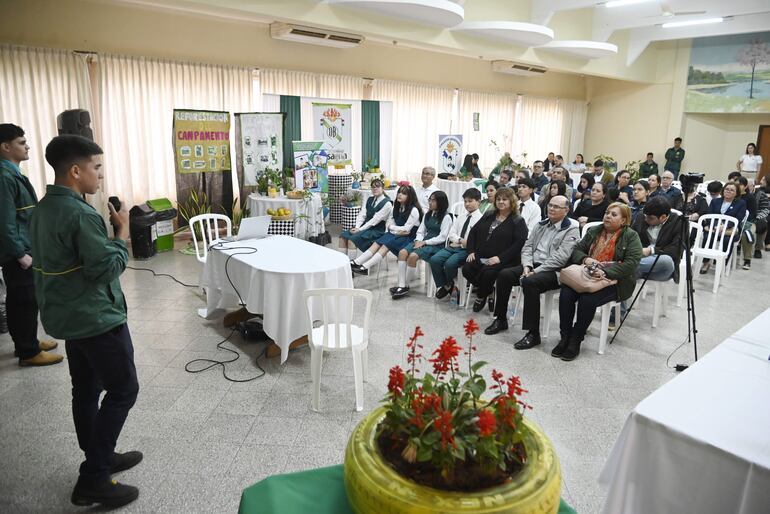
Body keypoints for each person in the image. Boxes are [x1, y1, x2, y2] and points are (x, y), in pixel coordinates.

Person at [31, 135, 142, 507]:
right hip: (96, 318)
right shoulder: (80, 214)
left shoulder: (43, 208)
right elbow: (106, 268)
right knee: (124, 390)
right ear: (76, 171)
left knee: (86, 388)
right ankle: (94, 475)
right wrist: (122, 232)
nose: (100, 176)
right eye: (96, 168)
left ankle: (100, 452)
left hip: (68, 316)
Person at [0, 123, 63, 366]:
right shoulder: (4, 177)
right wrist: (19, 254)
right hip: (18, 252)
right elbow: (4, 222)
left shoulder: (13, 173)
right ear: (5, 147)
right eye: (21, 143)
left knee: (25, 299)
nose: (27, 146)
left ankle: (28, 342)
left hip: (24, 247)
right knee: (24, 300)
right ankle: (28, 352)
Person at [484, 195, 579, 348]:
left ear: (566, 210)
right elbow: (527, 247)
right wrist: (527, 266)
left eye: (556, 207)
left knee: (529, 282)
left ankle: (533, 333)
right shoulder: (541, 224)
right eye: (550, 205)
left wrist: (536, 271)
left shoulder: (571, 229)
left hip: (554, 271)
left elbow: (560, 258)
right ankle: (501, 319)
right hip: (532, 266)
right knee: (504, 274)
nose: (551, 209)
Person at [555, 202, 642, 361]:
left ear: (623, 221)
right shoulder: (595, 231)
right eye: (607, 212)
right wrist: (586, 259)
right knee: (566, 293)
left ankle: (576, 339)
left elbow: (632, 263)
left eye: (614, 214)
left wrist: (604, 271)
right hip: (587, 275)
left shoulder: (631, 236)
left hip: (614, 281)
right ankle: (565, 336)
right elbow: (577, 250)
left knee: (587, 299)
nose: (608, 216)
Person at [462, 187, 528, 312]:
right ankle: (488, 290)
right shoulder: (489, 215)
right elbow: (473, 232)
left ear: (511, 202)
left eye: (504, 199)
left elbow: (518, 244)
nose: (501, 202)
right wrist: (471, 251)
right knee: (467, 269)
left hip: (504, 259)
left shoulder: (518, 221)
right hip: (482, 255)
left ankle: (481, 296)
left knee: (488, 273)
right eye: (498, 199)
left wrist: (499, 258)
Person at [391, 191, 451, 299]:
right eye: (430, 200)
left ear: (441, 202)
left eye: (433, 200)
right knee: (402, 252)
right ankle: (401, 285)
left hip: (436, 245)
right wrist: (418, 240)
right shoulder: (427, 214)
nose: (430, 202)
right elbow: (420, 231)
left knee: (413, 256)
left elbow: (442, 237)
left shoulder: (446, 217)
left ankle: (405, 285)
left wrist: (425, 242)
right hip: (423, 241)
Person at [351, 185, 422, 275]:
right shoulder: (396, 206)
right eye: (399, 192)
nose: (400, 195)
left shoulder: (414, 210)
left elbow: (407, 229)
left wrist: (392, 228)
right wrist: (393, 228)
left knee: (386, 245)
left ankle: (365, 266)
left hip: (409, 236)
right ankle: (357, 262)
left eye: (404, 194)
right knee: (377, 243)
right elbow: (389, 223)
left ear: (410, 197)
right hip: (397, 233)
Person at [430, 188, 483, 299]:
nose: (467, 204)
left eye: (470, 201)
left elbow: (477, 240)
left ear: (478, 201)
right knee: (434, 260)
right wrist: (460, 240)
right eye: (465, 201)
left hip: (467, 250)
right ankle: (447, 284)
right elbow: (451, 234)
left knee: (450, 264)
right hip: (454, 246)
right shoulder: (461, 217)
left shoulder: (481, 220)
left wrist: (464, 243)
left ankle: (450, 284)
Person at [631, 196, 683, 283]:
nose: (646, 220)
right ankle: (630, 269)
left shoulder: (679, 222)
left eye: (650, 218)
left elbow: (676, 250)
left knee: (666, 261)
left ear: (663, 217)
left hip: (661, 268)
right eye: (645, 216)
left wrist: (651, 250)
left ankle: (625, 267)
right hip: (641, 259)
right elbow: (631, 236)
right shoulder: (642, 216)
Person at [338, 178, 393, 257]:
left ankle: (351, 266)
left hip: (377, 230)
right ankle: (343, 263)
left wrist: (359, 229)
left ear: (383, 188)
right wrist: (357, 227)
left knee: (352, 240)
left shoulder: (387, 204)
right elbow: (362, 214)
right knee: (342, 237)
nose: (375, 189)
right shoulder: (370, 199)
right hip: (365, 226)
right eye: (373, 187)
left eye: (378, 186)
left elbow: (375, 220)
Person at [700, 182, 747, 274]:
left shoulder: (741, 203)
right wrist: (715, 227)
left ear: (736, 193)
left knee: (726, 240)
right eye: (726, 189)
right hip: (714, 228)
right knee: (707, 237)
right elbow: (709, 215)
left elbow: (738, 218)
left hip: (730, 230)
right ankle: (706, 262)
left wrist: (724, 226)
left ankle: (722, 263)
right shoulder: (715, 201)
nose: (728, 191)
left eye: (732, 190)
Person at [735, 176, 758, 270]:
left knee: (747, 234)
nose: (737, 186)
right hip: (734, 222)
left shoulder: (750, 198)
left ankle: (747, 260)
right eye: (736, 184)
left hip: (748, 222)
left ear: (745, 186)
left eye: (739, 184)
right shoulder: (733, 196)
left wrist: (743, 222)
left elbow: (753, 214)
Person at [752, 178, 769, 258]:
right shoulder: (739, 195)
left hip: (758, 215)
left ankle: (758, 249)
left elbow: (765, 209)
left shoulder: (761, 194)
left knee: (762, 223)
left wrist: (758, 217)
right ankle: (738, 245)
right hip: (743, 216)